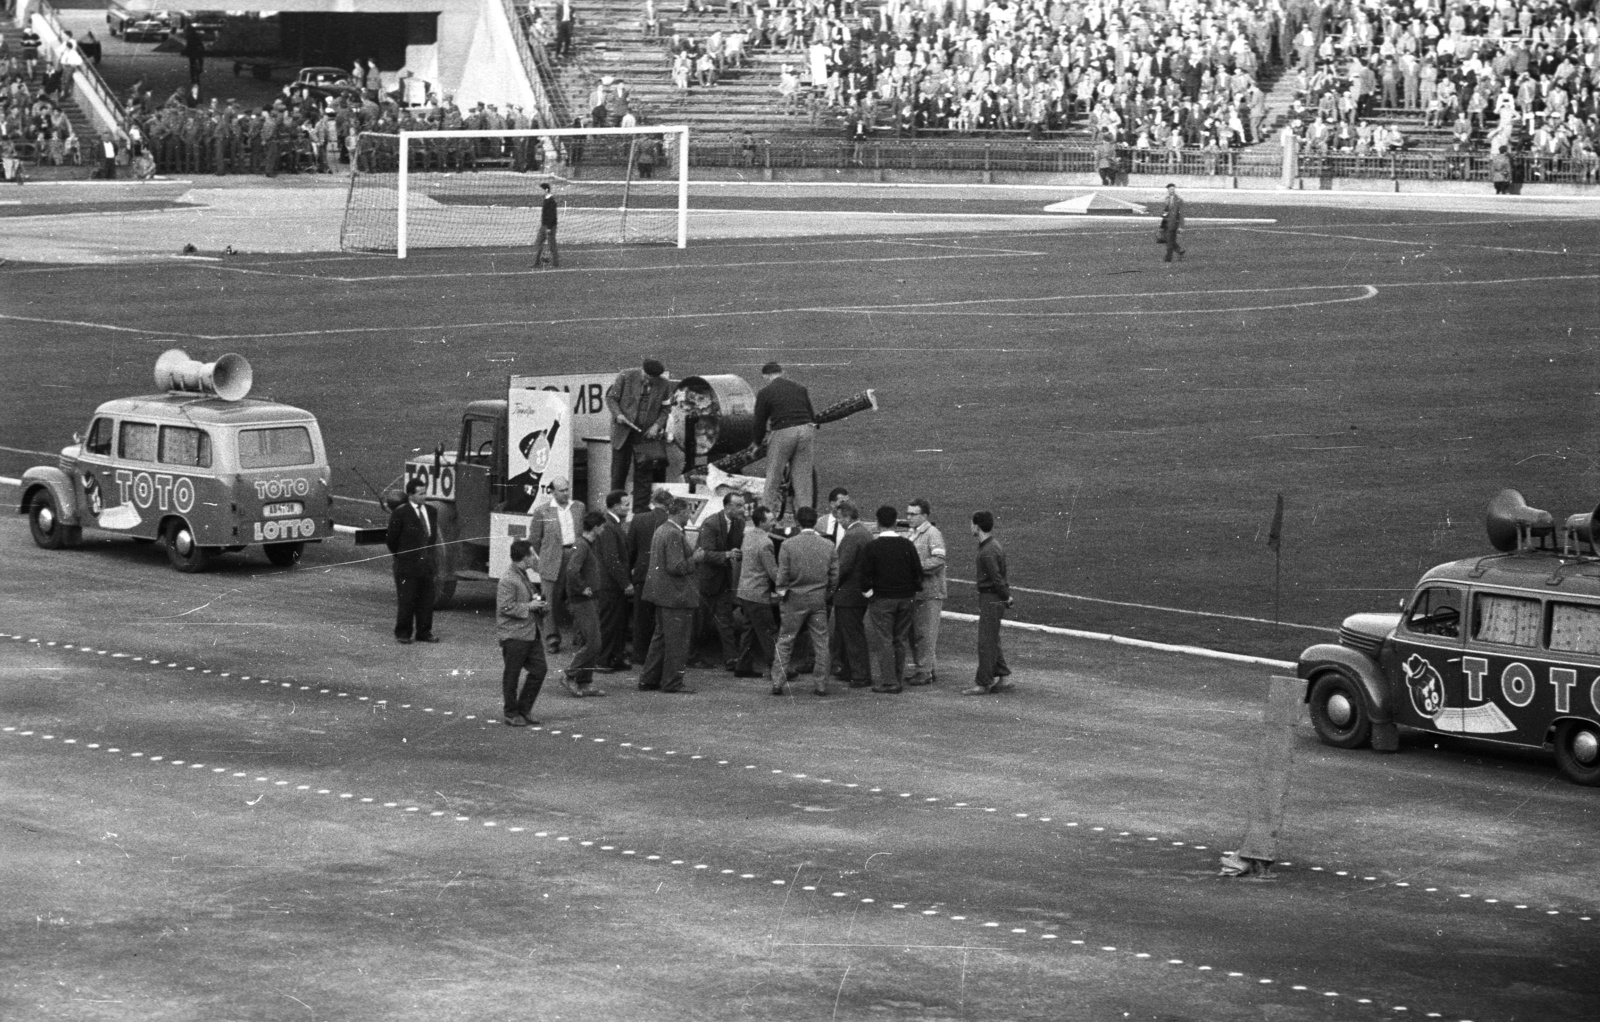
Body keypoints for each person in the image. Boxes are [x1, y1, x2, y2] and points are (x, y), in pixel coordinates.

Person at [638, 496, 704, 693]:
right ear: (682, 512)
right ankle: (672, 682)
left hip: (661, 595)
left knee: (660, 639)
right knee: (677, 642)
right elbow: (676, 566)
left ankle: (648, 679)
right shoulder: (674, 534)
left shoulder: (661, 530)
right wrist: (695, 558)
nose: (689, 516)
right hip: (676, 597)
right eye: (688, 512)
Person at [770, 506, 837, 696]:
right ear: (815, 522)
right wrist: (826, 594)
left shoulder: (788, 545)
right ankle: (821, 684)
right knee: (821, 642)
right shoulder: (827, 545)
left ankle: (777, 682)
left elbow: (782, 575)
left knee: (785, 640)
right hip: (817, 599)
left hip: (794, 598)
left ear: (797, 522)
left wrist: (782, 593)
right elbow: (834, 575)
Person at [858, 505, 922, 693]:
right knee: (900, 639)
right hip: (905, 598)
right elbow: (917, 573)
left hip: (883, 599)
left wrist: (870, 595)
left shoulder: (873, 547)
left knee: (884, 639)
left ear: (877, 523)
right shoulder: (907, 545)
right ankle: (898, 679)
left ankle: (889, 681)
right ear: (895, 522)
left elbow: (864, 577)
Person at [604, 359, 673, 508]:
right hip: (623, 433)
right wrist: (618, 415)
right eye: (647, 377)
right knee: (618, 474)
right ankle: (616, 509)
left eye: (653, 379)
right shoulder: (625, 376)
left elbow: (666, 409)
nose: (649, 381)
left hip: (646, 436)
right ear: (642, 370)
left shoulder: (664, 384)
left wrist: (656, 426)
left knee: (644, 476)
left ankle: (639, 512)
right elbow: (611, 398)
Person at [751, 362, 817, 516]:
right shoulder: (799, 388)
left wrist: (757, 443)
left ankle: (766, 516)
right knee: (803, 481)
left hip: (784, 432)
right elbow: (811, 415)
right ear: (781, 372)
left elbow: (759, 422)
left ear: (766, 376)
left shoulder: (765, 392)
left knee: (773, 477)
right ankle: (805, 521)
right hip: (806, 430)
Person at [530, 477, 585, 654]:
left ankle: (580, 636)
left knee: (577, 596)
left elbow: (583, 532)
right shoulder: (542, 511)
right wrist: (547, 555)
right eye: (562, 490)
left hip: (574, 555)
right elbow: (535, 539)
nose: (566, 493)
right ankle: (552, 638)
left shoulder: (578, 507)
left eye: (568, 489)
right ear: (553, 492)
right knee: (550, 601)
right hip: (552, 558)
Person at [497, 539, 548, 725]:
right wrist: (530, 606)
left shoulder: (522, 575)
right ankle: (511, 713)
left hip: (529, 633)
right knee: (512, 674)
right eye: (532, 554)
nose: (535, 558)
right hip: (514, 635)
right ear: (525, 557)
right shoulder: (509, 579)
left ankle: (524, 708)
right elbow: (505, 607)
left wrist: (539, 604)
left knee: (540, 669)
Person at [384, 478, 440, 644]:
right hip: (406, 565)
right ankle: (403, 632)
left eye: (425, 493)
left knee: (426, 600)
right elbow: (391, 540)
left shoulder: (431, 511)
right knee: (407, 600)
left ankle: (424, 632)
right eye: (420, 493)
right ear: (410, 495)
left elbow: (432, 536)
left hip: (426, 564)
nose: (424, 496)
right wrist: (402, 556)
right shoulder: (400, 513)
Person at [696, 491, 747, 669]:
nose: (743, 509)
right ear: (727, 507)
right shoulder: (710, 524)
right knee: (700, 621)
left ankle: (731, 658)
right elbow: (704, 554)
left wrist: (737, 554)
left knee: (726, 620)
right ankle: (692, 655)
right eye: (739, 506)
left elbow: (737, 546)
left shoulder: (739, 523)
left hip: (723, 580)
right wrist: (727, 555)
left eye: (743, 505)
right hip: (706, 580)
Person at [965, 510, 1014, 695]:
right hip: (992, 597)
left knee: (986, 641)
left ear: (977, 526)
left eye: (971, 524)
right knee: (992, 638)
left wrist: (1006, 596)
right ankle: (1004, 676)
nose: (970, 527)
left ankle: (983, 682)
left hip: (991, 598)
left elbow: (996, 578)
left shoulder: (987, 551)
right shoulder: (993, 545)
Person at [561, 510, 609, 696]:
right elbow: (572, 571)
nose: (604, 530)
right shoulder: (582, 546)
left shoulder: (588, 544)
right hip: (582, 601)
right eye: (602, 526)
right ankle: (570, 675)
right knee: (594, 643)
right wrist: (582, 588)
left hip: (589, 600)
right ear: (596, 527)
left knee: (589, 641)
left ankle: (585, 682)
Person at [830, 500, 873, 687]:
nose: (839, 522)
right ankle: (850, 670)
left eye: (840, 518)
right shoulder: (865, 532)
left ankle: (860, 674)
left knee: (852, 635)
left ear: (847, 516)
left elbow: (842, 567)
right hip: (858, 594)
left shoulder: (852, 535)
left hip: (848, 595)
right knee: (850, 634)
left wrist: (830, 585)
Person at [734, 504, 779, 678]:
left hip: (745, 591)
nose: (774, 522)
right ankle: (779, 669)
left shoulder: (749, 536)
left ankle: (742, 666)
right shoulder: (766, 542)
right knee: (769, 632)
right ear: (762, 522)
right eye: (771, 520)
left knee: (750, 631)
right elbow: (773, 571)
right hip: (758, 594)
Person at [905, 498, 946, 686]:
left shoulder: (932, 534)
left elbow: (939, 560)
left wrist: (915, 567)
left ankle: (925, 672)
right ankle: (927, 669)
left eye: (913, 514)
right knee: (917, 634)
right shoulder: (911, 534)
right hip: (918, 592)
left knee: (925, 634)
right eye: (908, 513)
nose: (909, 517)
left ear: (924, 516)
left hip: (930, 592)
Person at [627, 487, 671, 664]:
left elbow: (630, 549)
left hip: (643, 574)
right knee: (661, 619)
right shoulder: (671, 521)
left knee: (641, 618)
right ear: (669, 504)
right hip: (664, 575)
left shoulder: (638, 519)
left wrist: (629, 573)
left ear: (653, 501)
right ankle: (658, 656)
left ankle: (639, 654)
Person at [595, 490, 634, 670]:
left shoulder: (614, 524)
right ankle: (603, 659)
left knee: (617, 623)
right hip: (610, 586)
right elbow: (612, 559)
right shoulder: (609, 526)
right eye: (626, 504)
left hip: (613, 585)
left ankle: (614, 657)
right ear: (616, 506)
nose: (629, 507)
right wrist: (625, 583)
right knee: (609, 623)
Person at [533, 181, 560, 267]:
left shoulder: (551, 201)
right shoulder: (546, 200)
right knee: (538, 242)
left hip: (550, 227)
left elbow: (552, 215)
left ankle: (555, 263)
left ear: (546, 190)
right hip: (544, 226)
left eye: (541, 190)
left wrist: (549, 227)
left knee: (552, 245)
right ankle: (537, 262)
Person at [1161, 182, 1186, 263]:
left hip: (1174, 224)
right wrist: (1163, 216)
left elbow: (1181, 214)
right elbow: (1165, 211)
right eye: (1170, 189)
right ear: (1168, 190)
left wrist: (1181, 226)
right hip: (1166, 223)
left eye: (1173, 189)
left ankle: (1168, 258)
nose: (1171, 190)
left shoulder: (1179, 200)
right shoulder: (1167, 199)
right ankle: (1179, 250)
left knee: (1169, 240)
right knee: (1169, 240)